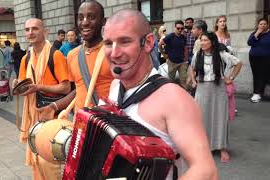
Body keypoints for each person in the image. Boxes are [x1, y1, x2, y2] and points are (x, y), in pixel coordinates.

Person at [103, 9, 218, 180]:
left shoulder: (175, 99)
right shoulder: (115, 86)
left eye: (125, 41)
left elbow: (206, 172)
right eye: (108, 43)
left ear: (148, 42)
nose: (114, 53)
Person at [14, 18, 71, 180]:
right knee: (37, 158)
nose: (30, 32)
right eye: (27, 29)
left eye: (35, 29)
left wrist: (38, 87)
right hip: (34, 115)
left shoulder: (55, 55)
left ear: (45, 31)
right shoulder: (26, 58)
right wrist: (18, 86)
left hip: (52, 114)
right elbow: (24, 86)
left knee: (50, 160)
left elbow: (66, 88)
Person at [45, 0, 113, 116]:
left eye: (91, 17)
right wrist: (54, 106)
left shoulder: (113, 52)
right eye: (81, 18)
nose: (85, 22)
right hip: (81, 126)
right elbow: (79, 89)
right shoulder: (72, 55)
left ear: (103, 21)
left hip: (108, 126)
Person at [189, 32, 242, 163]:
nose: (202, 43)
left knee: (220, 118)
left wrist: (231, 78)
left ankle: (221, 147)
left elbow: (239, 63)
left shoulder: (221, 54)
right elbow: (192, 67)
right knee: (201, 118)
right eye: (201, 40)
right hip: (202, 89)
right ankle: (203, 147)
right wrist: (193, 80)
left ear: (212, 42)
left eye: (205, 40)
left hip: (218, 89)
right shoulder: (198, 54)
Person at [159, 20, 188, 89]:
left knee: (183, 80)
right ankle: (171, 94)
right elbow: (159, 44)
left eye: (182, 28)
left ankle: (184, 95)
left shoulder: (183, 37)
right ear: (175, 28)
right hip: (172, 62)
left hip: (182, 62)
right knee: (171, 80)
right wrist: (164, 54)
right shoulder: (170, 36)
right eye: (178, 28)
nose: (180, 30)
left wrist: (186, 59)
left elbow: (185, 48)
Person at [247, 17, 270, 103]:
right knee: (257, 75)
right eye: (261, 24)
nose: (263, 25)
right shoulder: (255, 33)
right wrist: (257, 33)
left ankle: (261, 92)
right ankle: (257, 93)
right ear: (258, 25)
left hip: (267, 59)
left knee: (266, 75)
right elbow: (249, 42)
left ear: (267, 25)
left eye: (264, 24)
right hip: (254, 59)